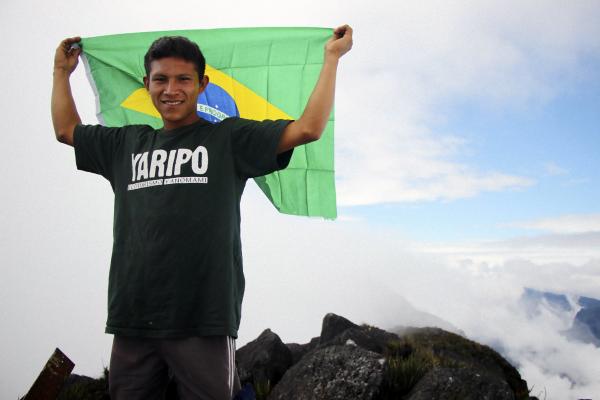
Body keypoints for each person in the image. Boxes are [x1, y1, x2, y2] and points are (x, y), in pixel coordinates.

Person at [52, 25, 352, 400]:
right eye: (161, 79)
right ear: (147, 83)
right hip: (132, 319)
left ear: (202, 83)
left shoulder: (228, 139)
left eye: (183, 79)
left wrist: (331, 59)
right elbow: (67, 130)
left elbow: (308, 128)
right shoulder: (125, 144)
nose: (171, 89)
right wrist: (62, 72)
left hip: (203, 319)